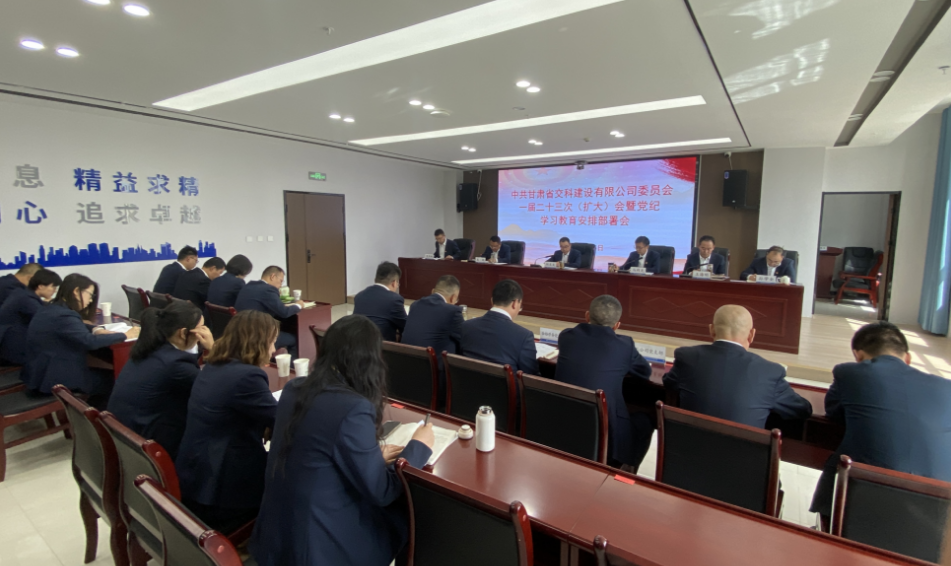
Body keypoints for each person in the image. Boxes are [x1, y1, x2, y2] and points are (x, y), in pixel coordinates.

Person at [250, 315, 435, 566]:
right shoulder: (353, 408)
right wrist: (419, 446)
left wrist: (371, 458)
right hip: (318, 546)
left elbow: (316, 452)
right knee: (406, 514)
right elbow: (383, 491)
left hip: (276, 535)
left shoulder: (295, 388)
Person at [809, 322, 951, 525]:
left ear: (858, 356)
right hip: (938, 514)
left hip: (863, 503)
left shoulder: (849, 373)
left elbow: (834, 412)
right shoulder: (946, 389)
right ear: (908, 358)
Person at [175, 310, 279, 532]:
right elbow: (282, 420)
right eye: (272, 343)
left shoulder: (214, 363)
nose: (273, 350)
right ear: (259, 343)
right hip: (221, 494)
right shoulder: (248, 376)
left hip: (194, 477)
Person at [662, 305, 812, 428]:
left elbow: (669, 382)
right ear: (751, 335)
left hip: (686, 453)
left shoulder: (687, 357)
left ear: (711, 330)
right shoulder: (770, 372)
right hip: (743, 456)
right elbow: (803, 410)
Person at [555, 295, 653, 470]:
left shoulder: (566, 336)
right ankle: (626, 471)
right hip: (605, 432)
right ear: (617, 325)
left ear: (587, 316)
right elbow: (645, 372)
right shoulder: (625, 345)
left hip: (562, 423)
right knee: (645, 421)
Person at [107, 302, 214, 461]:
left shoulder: (149, 348)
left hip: (124, 435)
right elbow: (213, 390)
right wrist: (213, 350)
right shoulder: (176, 365)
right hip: (149, 445)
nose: (205, 332)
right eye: (201, 328)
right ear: (182, 333)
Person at [22, 274, 139, 408]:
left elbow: (75, 326)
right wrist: (125, 335)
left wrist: (96, 329)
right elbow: (89, 342)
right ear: (76, 292)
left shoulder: (52, 308)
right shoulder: (65, 315)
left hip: (41, 372)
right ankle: (95, 415)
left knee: (104, 371)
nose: (90, 300)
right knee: (116, 380)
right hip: (57, 378)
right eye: (90, 294)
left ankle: (91, 410)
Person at [401, 275, 464, 406]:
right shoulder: (452, 311)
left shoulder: (415, 305)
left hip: (407, 372)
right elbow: (464, 339)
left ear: (433, 291)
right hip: (434, 378)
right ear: (453, 298)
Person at [460, 279, 538, 375]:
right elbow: (531, 377)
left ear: (492, 301)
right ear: (515, 303)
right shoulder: (524, 336)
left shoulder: (466, 326)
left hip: (467, 384)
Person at [234, 265, 303, 357]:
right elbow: (284, 312)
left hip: (241, 333)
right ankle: (288, 366)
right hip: (258, 336)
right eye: (281, 281)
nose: (280, 285)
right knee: (295, 339)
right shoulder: (268, 290)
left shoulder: (248, 286)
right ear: (272, 276)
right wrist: (298, 305)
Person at [0, 269, 62, 366]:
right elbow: (47, 319)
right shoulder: (27, 299)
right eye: (53, 287)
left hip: (7, 347)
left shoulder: (23, 294)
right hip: (13, 350)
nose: (55, 290)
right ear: (41, 286)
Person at [353, 262, 407, 342]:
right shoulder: (394, 300)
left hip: (357, 342)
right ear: (394, 283)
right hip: (380, 346)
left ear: (375, 279)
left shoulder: (359, 296)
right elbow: (406, 327)